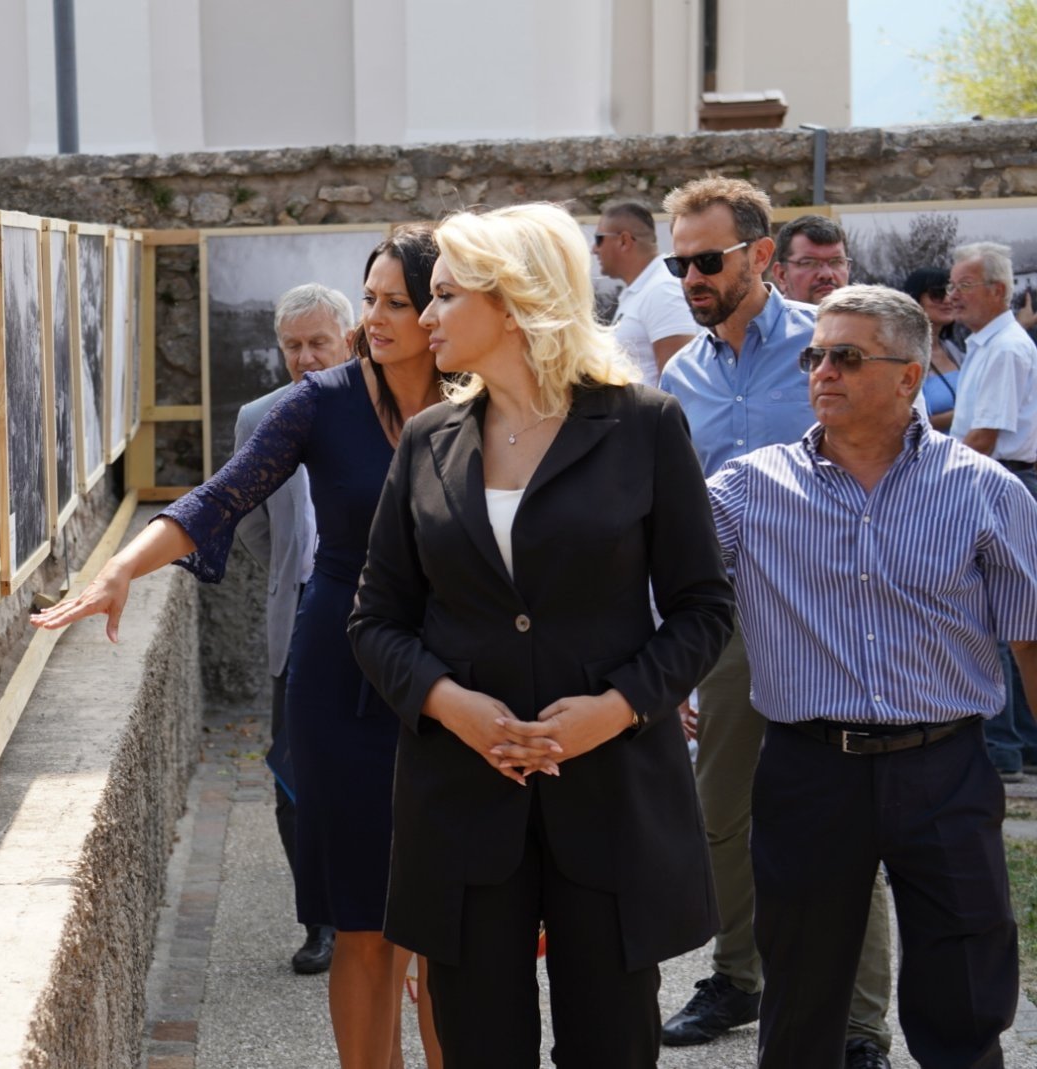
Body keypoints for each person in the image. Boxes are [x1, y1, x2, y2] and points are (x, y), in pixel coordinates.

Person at [33, 227, 445, 1069]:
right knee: (364, 922)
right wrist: (122, 567)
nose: (373, 318)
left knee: (451, 929)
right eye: (369, 298)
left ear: (442, 306)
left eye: (395, 303)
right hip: (344, 668)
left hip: (456, 668)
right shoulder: (320, 400)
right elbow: (218, 498)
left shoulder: (483, 399)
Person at [348, 204, 733, 1068]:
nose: (428, 314)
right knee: (479, 1046)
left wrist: (616, 708)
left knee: (613, 1044)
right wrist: (451, 705)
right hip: (461, 798)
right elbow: (374, 618)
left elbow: (704, 607)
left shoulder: (644, 424)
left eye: (447, 294)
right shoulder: (427, 439)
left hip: (612, 795)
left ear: (515, 300)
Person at [707, 283, 1037, 1068]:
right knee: (800, 998)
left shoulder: (986, 490)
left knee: (965, 992)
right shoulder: (745, 490)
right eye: (814, 356)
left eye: (847, 357)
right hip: (808, 769)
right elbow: (662, 599)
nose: (823, 372)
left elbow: (1031, 640)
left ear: (908, 377)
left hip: (945, 766)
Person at [657, 176, 895, 1067]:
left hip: (832, 617)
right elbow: (675, 521)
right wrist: (672, 651)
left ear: (760, 254)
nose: (691, 278)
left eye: (706, 261)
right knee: (720, 815)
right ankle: (738, 975)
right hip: (726, 626)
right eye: (680, 264)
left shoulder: (829, 350)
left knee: (846, 824)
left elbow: (889, 460)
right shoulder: (679, 375)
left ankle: (861, 1027)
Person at [232, 283, 355, 975]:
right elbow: (247, 517)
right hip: (301, 612)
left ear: (348, 340)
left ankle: (385, 906)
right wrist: (293, 575)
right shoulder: (259, 418)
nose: (305, 358)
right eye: (292, 346)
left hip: (374, 612)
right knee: (294, 774)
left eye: (318, 343)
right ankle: (321, 920)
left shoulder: (380, 407)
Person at [946, 242, 1037, 786]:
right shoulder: (988, 343)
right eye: (952, 285)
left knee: (998, 618)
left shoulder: (1004, 349)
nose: (953, 295)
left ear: (998, 291)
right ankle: (1020, 743)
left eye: (964, 285)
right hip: (999, 477)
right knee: (1010, 617)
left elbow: (983, 437)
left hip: (997, 481)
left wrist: (930, 476)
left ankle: (1003, 746)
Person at [592, 201, 697, 387]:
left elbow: (679, 383)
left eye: (599, 239)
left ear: (624, 241)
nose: (594, 249)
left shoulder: (663, 289)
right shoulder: (643, 288)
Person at [900, 267, 966, 431]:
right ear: (916, 301)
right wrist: (968, 413)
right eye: (937, 294)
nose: (948, 299)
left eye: (950, 291)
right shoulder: (904, 357)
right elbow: (908, 423)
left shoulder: (952, 349)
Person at [770, 214, 851, 305]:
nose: (826, 274)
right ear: (781, 275)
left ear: (848, 268)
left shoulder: (862, 313)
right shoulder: (764, 314)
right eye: (809, 263)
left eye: (836, 262)